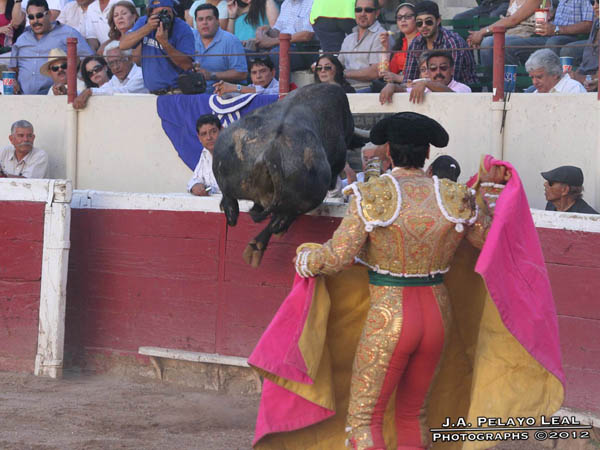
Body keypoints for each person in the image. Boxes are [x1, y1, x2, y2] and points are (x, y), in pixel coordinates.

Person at [469, 0, 594, 67]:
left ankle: (513, 82)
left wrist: (482, 32)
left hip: (561, 36)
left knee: (492, 42)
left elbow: (589, 24)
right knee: (490, 42)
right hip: (547, 33)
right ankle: (497, 84)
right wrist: (553, 14)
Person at [8, 0, 93, 94]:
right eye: (31, 17)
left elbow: (88, 60)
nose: (35, 21)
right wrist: (13, 81)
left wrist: (74, 84)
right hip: (24, 98)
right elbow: (12, 68)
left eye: (39, 16)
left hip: (56, 97)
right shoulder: (22, 39)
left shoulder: (68, 33)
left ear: (48, 14)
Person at [120, 0, 194, 94]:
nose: (164, 17)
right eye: (159, 13)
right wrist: (148, 27)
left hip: (175, 92)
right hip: (152, 93)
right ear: (150, 14)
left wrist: (165, 43)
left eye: (168, 12)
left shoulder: (182, 28)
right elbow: (123, 45)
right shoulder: (144, 22)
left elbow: (187, 65)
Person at [403, 1, 476, 86]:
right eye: (419, 23)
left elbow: (451, 81)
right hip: (429, 89)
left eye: (428, 22)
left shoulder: (451, 42)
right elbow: (409, 78)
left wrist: (424, 85)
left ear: (438, 21)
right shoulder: (416, 43)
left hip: (463, 91)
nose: (424, 26)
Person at [73, 42, 147, 109]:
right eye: (111, 63)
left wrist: (90, 91)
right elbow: (103, 89)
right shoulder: (116, 78)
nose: (115, 67)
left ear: (130, 59)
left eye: (118, 61)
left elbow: (126, 91)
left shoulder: (141, 74)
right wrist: (69, 92)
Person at [192, 3, 247, 93]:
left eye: (209, 19)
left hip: (223, 95)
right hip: (195, 93)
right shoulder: (190, 37)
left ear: (218, 21)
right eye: (200, 19)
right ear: (196, 22)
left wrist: (212, 75)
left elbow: (242, 73)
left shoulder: (231, 40)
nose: (204, 22)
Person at [380, 51, 471, 104]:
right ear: (428, 71)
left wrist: (426, 83)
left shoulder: (463, 88)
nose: (438, 72)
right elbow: (403, 90)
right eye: (433, 68)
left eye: (443, 68)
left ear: (452, 70)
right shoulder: (423, 87)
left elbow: (452, 96)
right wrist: (392, 86)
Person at [337, 0, 387, 92]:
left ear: (377, 13)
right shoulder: (349, 38)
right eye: (358, 10)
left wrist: (343, 74)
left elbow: (375, 72)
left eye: (368, 10)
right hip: (346, 88)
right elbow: (338, 66)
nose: (362, 14)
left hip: (368, 89)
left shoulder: (382, 36)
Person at [254, 0, 317, 71]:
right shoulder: (286, 3)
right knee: (249, 53)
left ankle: (279, 82)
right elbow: (277, 31)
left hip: (305, 49)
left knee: (276, 54)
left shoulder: (313, 2)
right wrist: (263, 31)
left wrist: (271, 42)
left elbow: (306, 35)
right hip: (284, 45)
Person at [378, 2, 418, 84]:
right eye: (399, 18)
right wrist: (385, 48)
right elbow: (383, 74)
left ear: (417, 19)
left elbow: (424, 77)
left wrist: (398, 78)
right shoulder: (400, 45)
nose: (403, 20)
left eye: (408, 17)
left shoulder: (422, 41)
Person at [566, 0, 598, 92]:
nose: (594, 6)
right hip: (581, 81)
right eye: (593, 2)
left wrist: (578, 77)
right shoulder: (597, 22)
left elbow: (596, 79)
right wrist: (573, 75)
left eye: (598, 2)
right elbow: (586, 62)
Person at [188, 114, 222, 196]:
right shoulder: (205, 153)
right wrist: (196, 186)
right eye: (204, 134)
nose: (209, 137)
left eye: (213, 132)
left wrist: (209, 189)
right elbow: (195, 180)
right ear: (199, 138)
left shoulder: (236, 152)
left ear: (222, 131)